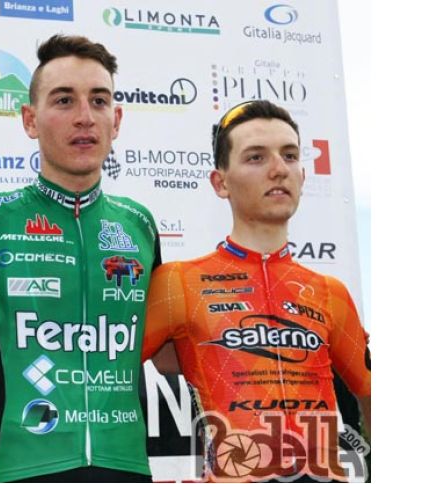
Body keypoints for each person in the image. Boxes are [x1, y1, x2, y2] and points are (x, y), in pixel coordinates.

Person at [0, 34, 161, 482]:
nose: (85, 117)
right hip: (22, 464)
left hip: (126, 465)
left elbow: (169, 350)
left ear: (117, 120)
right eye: (64, 100)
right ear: (30, 120)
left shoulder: (140, 225)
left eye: (99, 100)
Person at [142, 100, 371, 482]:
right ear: (221, 182)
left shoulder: (330, 292)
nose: (278, 169)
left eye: (290, 155)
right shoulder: (178, 283)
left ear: (303, 175)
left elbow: (370, 393)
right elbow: (108, 374)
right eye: (256, 157)